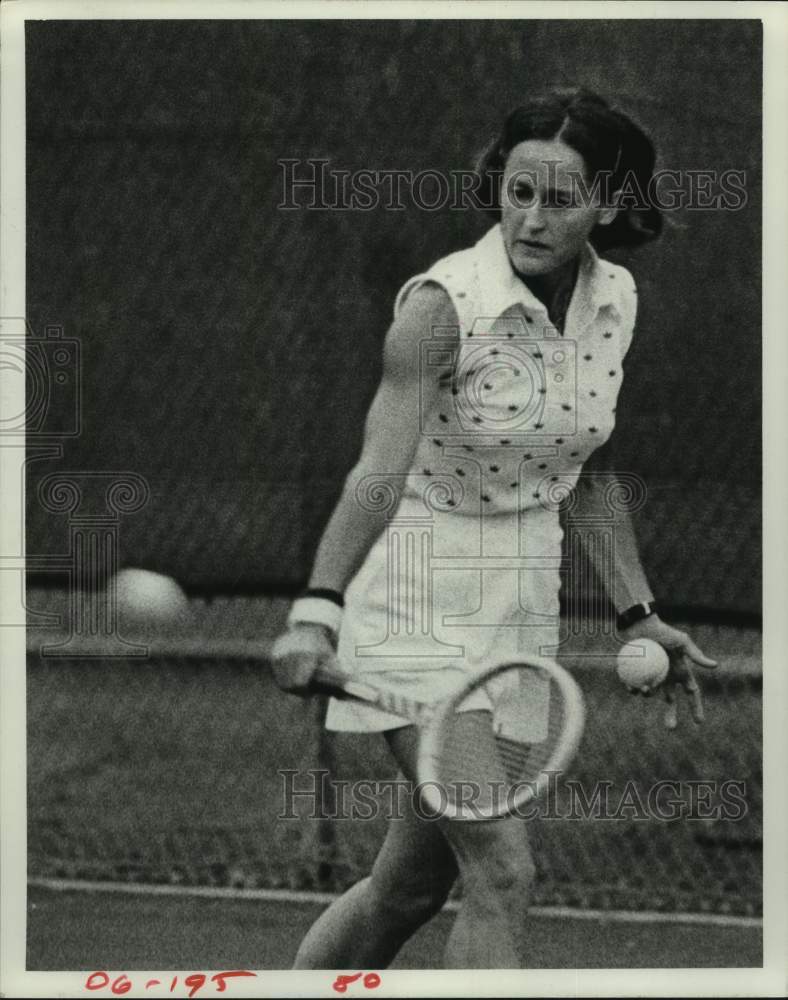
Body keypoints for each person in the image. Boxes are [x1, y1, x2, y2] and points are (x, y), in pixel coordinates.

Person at [271, 88, 718, 970]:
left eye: (560, 200)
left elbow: (582, 467)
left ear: (610, 204)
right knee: (503, 870)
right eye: (519, 192)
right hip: (416, 588)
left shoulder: (612, 298)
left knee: (406, 887)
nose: (532, 218)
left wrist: (639, 613)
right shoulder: (443, 306)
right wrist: (318, 608)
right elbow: (377, 473)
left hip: (522, 602)